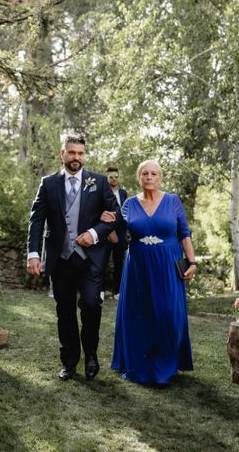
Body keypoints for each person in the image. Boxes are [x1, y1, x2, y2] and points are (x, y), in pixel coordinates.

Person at [27, 135, 120, 381]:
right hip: (61, 259)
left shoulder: (99, 182)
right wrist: (33, 253)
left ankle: (91, 355)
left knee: (91, 305)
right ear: (63, 153)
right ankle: (69, 361)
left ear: (84, 155)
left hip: (90, 259)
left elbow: (116, 215)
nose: (76, 157)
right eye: (72, 153)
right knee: (64, 311)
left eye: (80, 153)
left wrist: (93, 233)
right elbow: (37, 219)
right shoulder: (48, 184)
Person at [110, 160, 196, 386]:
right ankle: (139, 363)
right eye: (145, 173)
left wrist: (193, 262)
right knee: (139, 314)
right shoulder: (128, 204)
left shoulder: (173, 201)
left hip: (168, 263)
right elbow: (116, 237)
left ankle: (166, 363)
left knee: (168, 314)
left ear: (160, 177)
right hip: (138, 265)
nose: (149, 177)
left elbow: (184, 233)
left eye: (154, 173)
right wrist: (102, 224)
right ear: (139, 177)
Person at [103, 166, 128, 299]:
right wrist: (108, 231)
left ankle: (118, 291)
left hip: (121, 233)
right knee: (103, 262)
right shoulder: (102, 192)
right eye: (111, 177)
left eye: (116, 177)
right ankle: (100, 291)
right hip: (106, 232)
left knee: (119, 264)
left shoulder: (123, 193)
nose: (114, 179)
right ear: (107, 178)